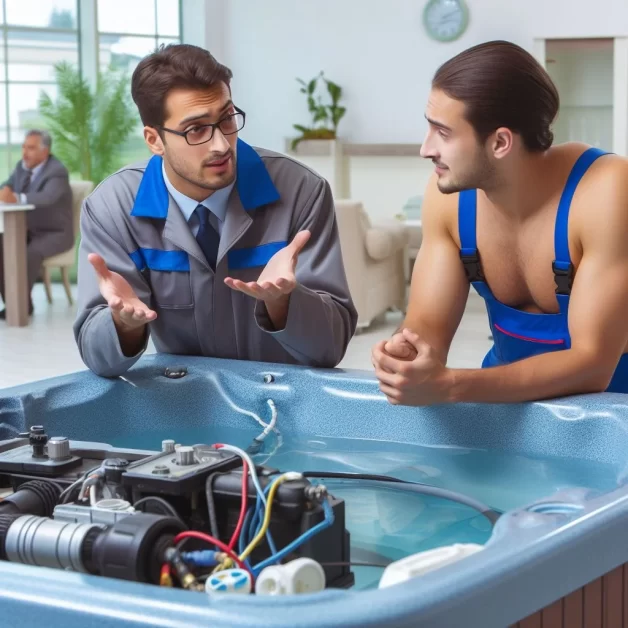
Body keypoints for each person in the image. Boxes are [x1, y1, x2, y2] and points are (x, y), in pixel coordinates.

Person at [74, 44, 356, 378]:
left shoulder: (302, 192)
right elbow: (98, 358)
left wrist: (284, 303)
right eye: (197, 130)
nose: (221, 144)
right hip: (188, 407)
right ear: (154, 140)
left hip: (285, 403)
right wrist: (122, 326)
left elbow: (331, 348)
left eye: (226, 119)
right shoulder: (112, 209)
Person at [372, 40, 628, 406]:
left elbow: (593, 365)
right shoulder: (449, 200)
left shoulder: (607, 190)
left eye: (443, 133)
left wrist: (450, 385)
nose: (425, 149)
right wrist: (406, 355)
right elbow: (426, 325)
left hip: (612, 412)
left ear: (501, 142)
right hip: (506, 407)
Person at [0, 129, 73, 318]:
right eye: (24, 147)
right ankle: (16, 303)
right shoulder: (21, 167)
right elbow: (6, 186)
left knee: (29, 253)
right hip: (28, 230)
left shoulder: (57, 171)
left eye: (31, 148)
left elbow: (47, 198)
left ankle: (20, 307)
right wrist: (5, 190)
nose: (25, 152)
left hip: (55, 233)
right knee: (2, 245)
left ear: (45, 151)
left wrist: (15, 197)